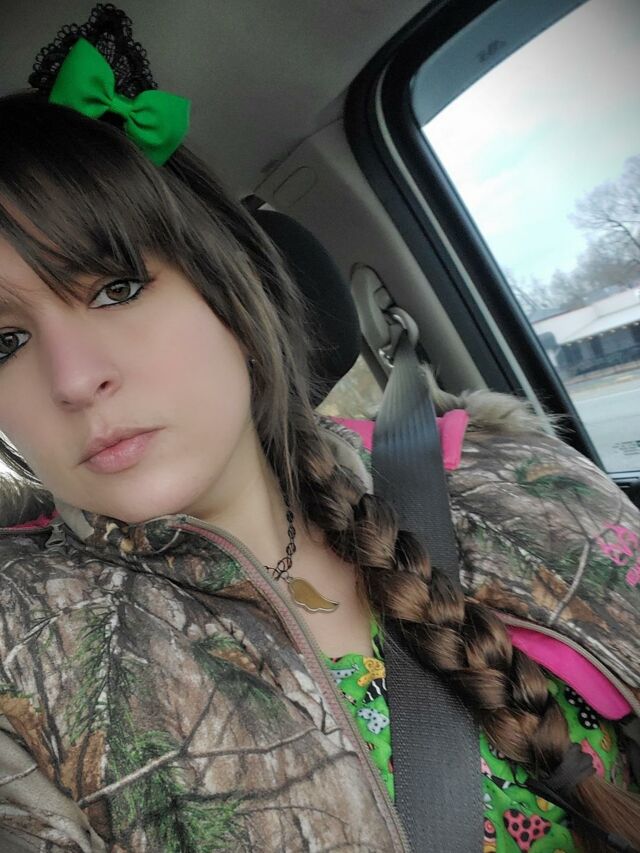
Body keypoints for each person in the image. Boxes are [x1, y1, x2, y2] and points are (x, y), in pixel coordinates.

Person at [0, 5, 638, 852]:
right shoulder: (23, 651)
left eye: (117, 288)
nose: (75, 379)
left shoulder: (517, 485)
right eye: (4, 342)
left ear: (229, 291)